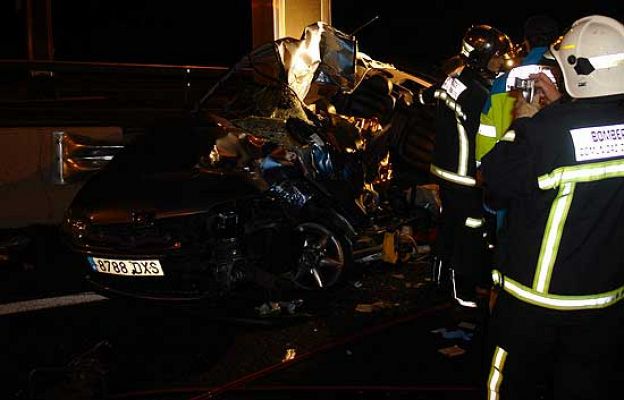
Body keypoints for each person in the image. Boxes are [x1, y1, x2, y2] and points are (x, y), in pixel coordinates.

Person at [481, 15, 624, 399]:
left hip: (536, 304)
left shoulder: (542, 132)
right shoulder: (559, 129)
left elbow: (494, 182)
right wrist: (561, 109)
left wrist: (524, 122)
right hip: (604, 303)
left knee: (511, 386)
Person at [419, 24, 514, 307]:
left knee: (450, 224)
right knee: (470, 229)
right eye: (496, 56)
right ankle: (463, 291)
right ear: (479, 57)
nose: (501, 62)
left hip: (444, 168)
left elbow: (428, 97)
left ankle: (438, 279)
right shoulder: (477, 93)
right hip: (464, 175)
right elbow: (482, 138)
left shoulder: (457, 78)